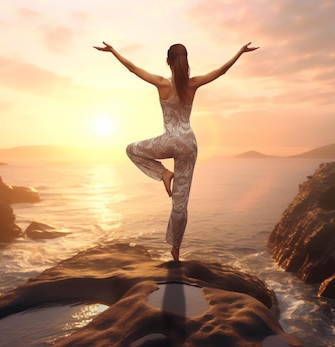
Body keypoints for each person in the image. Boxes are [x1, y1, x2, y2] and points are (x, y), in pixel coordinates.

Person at [94, 41, 258, 261]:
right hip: (189, 145)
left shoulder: (161, 83)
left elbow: (133, 68)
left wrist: (114, 51)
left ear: (168, 61)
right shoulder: (192, 84)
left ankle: (163, 173)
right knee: (180, 202)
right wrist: (239, 51)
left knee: (132, 150)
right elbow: (222, 71)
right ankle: (176, 250)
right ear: (186, 61)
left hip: (169, 141)